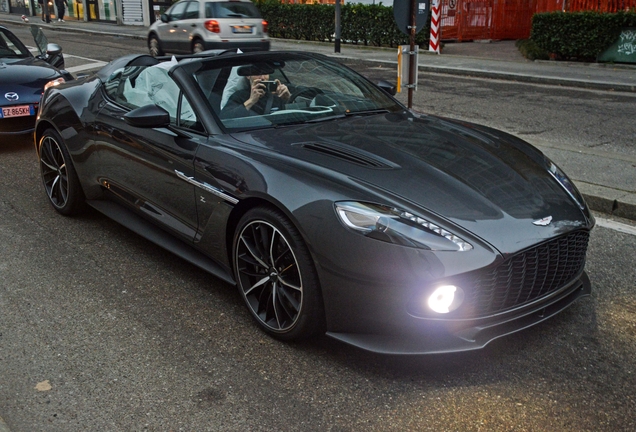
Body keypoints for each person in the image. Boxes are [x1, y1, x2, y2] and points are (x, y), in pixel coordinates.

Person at [221, 72, 291, 118]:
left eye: (266, 73)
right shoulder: (239, 96)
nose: (263, 78)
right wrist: (251, 101)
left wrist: (288, 99)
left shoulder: (276, 95)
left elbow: (290, 117)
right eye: (258, 74)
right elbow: (225, 118)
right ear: (248, 76)